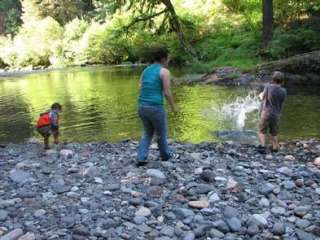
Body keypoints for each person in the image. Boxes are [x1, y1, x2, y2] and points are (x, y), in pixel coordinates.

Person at [137, 47, 179, 166]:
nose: (168, 60)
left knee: (147, 133)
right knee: (161, 134)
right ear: (164, 58)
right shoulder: (164, 71)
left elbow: (140, 86)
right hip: (155, 107)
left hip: (142, 106)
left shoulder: (146, 70)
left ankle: (141, 158)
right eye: (168, 58)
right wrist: (173, 106)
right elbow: (166, 92)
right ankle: (165, 156)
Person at [258, 71, 287, 154]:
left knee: (262, 131)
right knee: (274, 132)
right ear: (282, 81)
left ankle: (263, 146)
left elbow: (262, 97)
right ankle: (274, 147)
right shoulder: (284, 91)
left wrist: (260, 95)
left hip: (266, 113)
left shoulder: (268, 87)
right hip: (276, 115)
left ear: (273, 79)